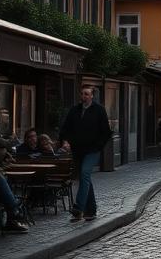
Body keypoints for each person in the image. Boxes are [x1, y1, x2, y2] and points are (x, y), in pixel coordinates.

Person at [59, 86, 112, 223]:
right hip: (78, 150)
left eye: (87, 94)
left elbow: (106, 132)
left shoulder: (99, 110)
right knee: (85, 178)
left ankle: (78, 209)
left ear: (92, 96)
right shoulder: (75, 110)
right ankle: (91, 210)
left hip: (92, 150)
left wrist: (98, 147)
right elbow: (66, 129)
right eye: (82, 94)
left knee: (84, 174)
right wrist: (65, 141)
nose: (84, 96)